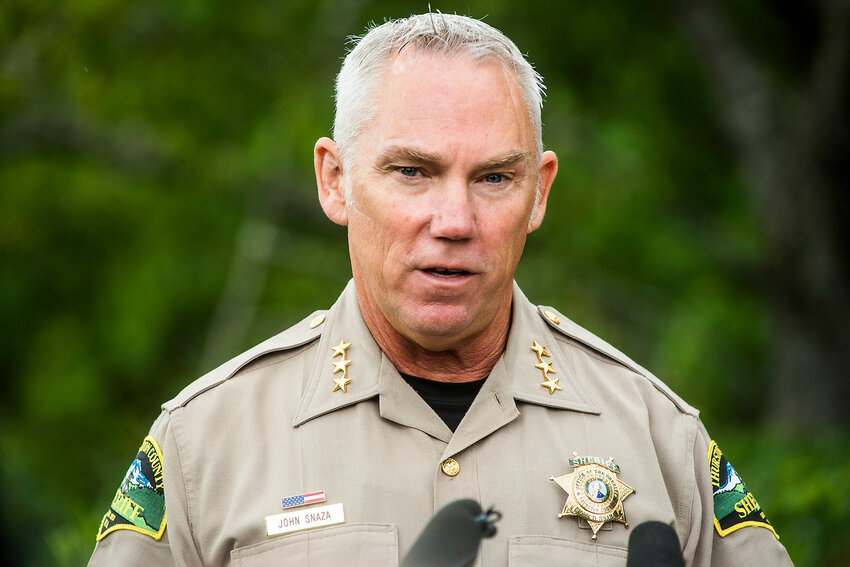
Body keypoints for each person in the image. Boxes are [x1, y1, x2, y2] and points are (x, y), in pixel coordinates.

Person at [88, 13, 793, 566]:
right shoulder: (206, 443)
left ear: (539, 192)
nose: (454, 221)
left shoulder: (656, 438)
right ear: (335, 180)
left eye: (493, 178)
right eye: (412, 172)